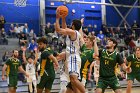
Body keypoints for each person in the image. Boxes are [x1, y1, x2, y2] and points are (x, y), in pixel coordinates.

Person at [55, 10, 85, 93]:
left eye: (71, 23)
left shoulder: (73, 32)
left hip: (73, 57)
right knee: (72, 81)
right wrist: (63, 18)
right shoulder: (74, 33)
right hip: (72, 57)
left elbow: (58, 29)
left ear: (73, 25)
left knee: (74, 80)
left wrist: (57, 18)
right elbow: (64, 27)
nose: (70, 25)